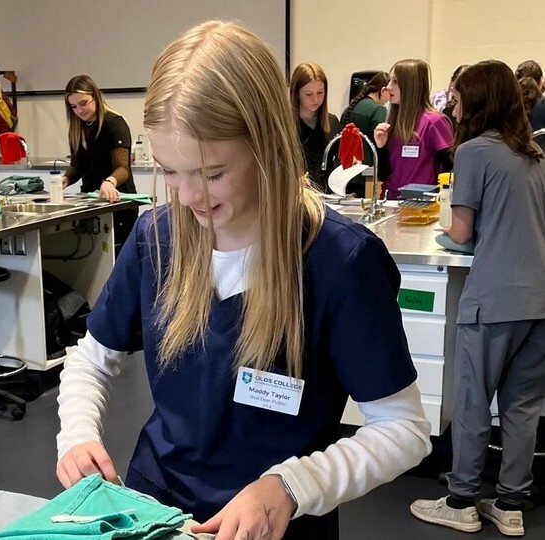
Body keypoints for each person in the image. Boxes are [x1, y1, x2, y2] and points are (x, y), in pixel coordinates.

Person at [55, 21, 431, 540]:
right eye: (168, 170)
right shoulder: (157, 238)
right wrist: (76, 435)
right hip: (154, 510)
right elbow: (92, 358)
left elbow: (403, 429)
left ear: (266, 146)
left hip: (277, 521)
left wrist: (292, 486)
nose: (187, 197)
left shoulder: (338, 261)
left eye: (211, 175)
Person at [410, 60, 545, 537]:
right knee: (522, 407)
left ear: (478, 100)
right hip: (538, 301)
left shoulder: (472, 153)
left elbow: (462, 231)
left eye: (459, 95)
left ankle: (461, 500)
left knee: (472, 400)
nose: (454, 103)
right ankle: (510, 505)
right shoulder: (534, 154)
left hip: (492, 297)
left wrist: (447, 233)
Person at [61, 75, 138, 252]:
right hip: (92, 202)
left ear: (95, 96)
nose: (79, 110)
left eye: (83, 103)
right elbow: (77, 166)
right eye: (73, 106)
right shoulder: (77, 129)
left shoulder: (114, 124)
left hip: (119, 204)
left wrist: (110, 181)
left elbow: (122, 168)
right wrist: (65, 179)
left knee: (116, 258)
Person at [373, 59, 454, 198]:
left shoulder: (434, 122)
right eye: (389, 81)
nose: (388, 87)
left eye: (395, 82)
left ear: (410, 86)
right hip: (390, 201)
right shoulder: (391, 123)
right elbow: (383, 175)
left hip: (421, 205)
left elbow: (449, 168)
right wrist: (381, 148)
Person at [290, 62, 341, 192]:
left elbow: (340, 161)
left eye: (320, 92)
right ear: (296, 93)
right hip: (296, 196)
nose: (316, 99)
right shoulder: (284, 124)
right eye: (309, 94)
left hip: (327, 197)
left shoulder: (332, 122)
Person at [339, 71, 389, 196]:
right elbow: (383, 143)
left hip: (346, 175)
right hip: (366, 176)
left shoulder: (350, 108)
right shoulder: (378, 110)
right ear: (383, 91)